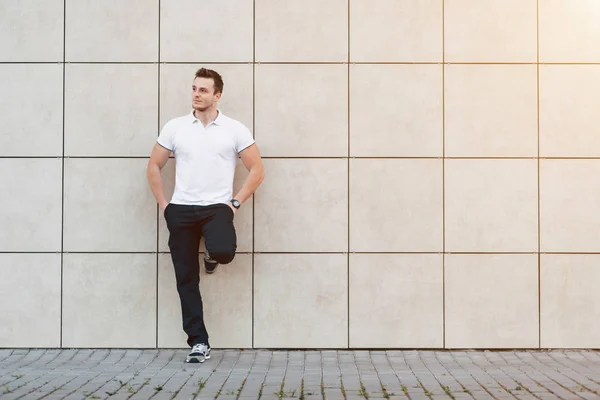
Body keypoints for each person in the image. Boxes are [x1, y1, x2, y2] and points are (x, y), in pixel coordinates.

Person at [146, 68, 264, 363]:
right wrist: (165, 206)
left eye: (203, 90)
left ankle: (212, 255)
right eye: (194, 89)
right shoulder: (175, 127)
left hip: (217, 208)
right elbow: (153, 166)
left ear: (217, 95)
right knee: (186, 278)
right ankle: (199, 341)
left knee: (224, 251)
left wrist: (234, 203)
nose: (196, 94)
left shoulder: (235, 129)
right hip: (181, 210)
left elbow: (257, 170)